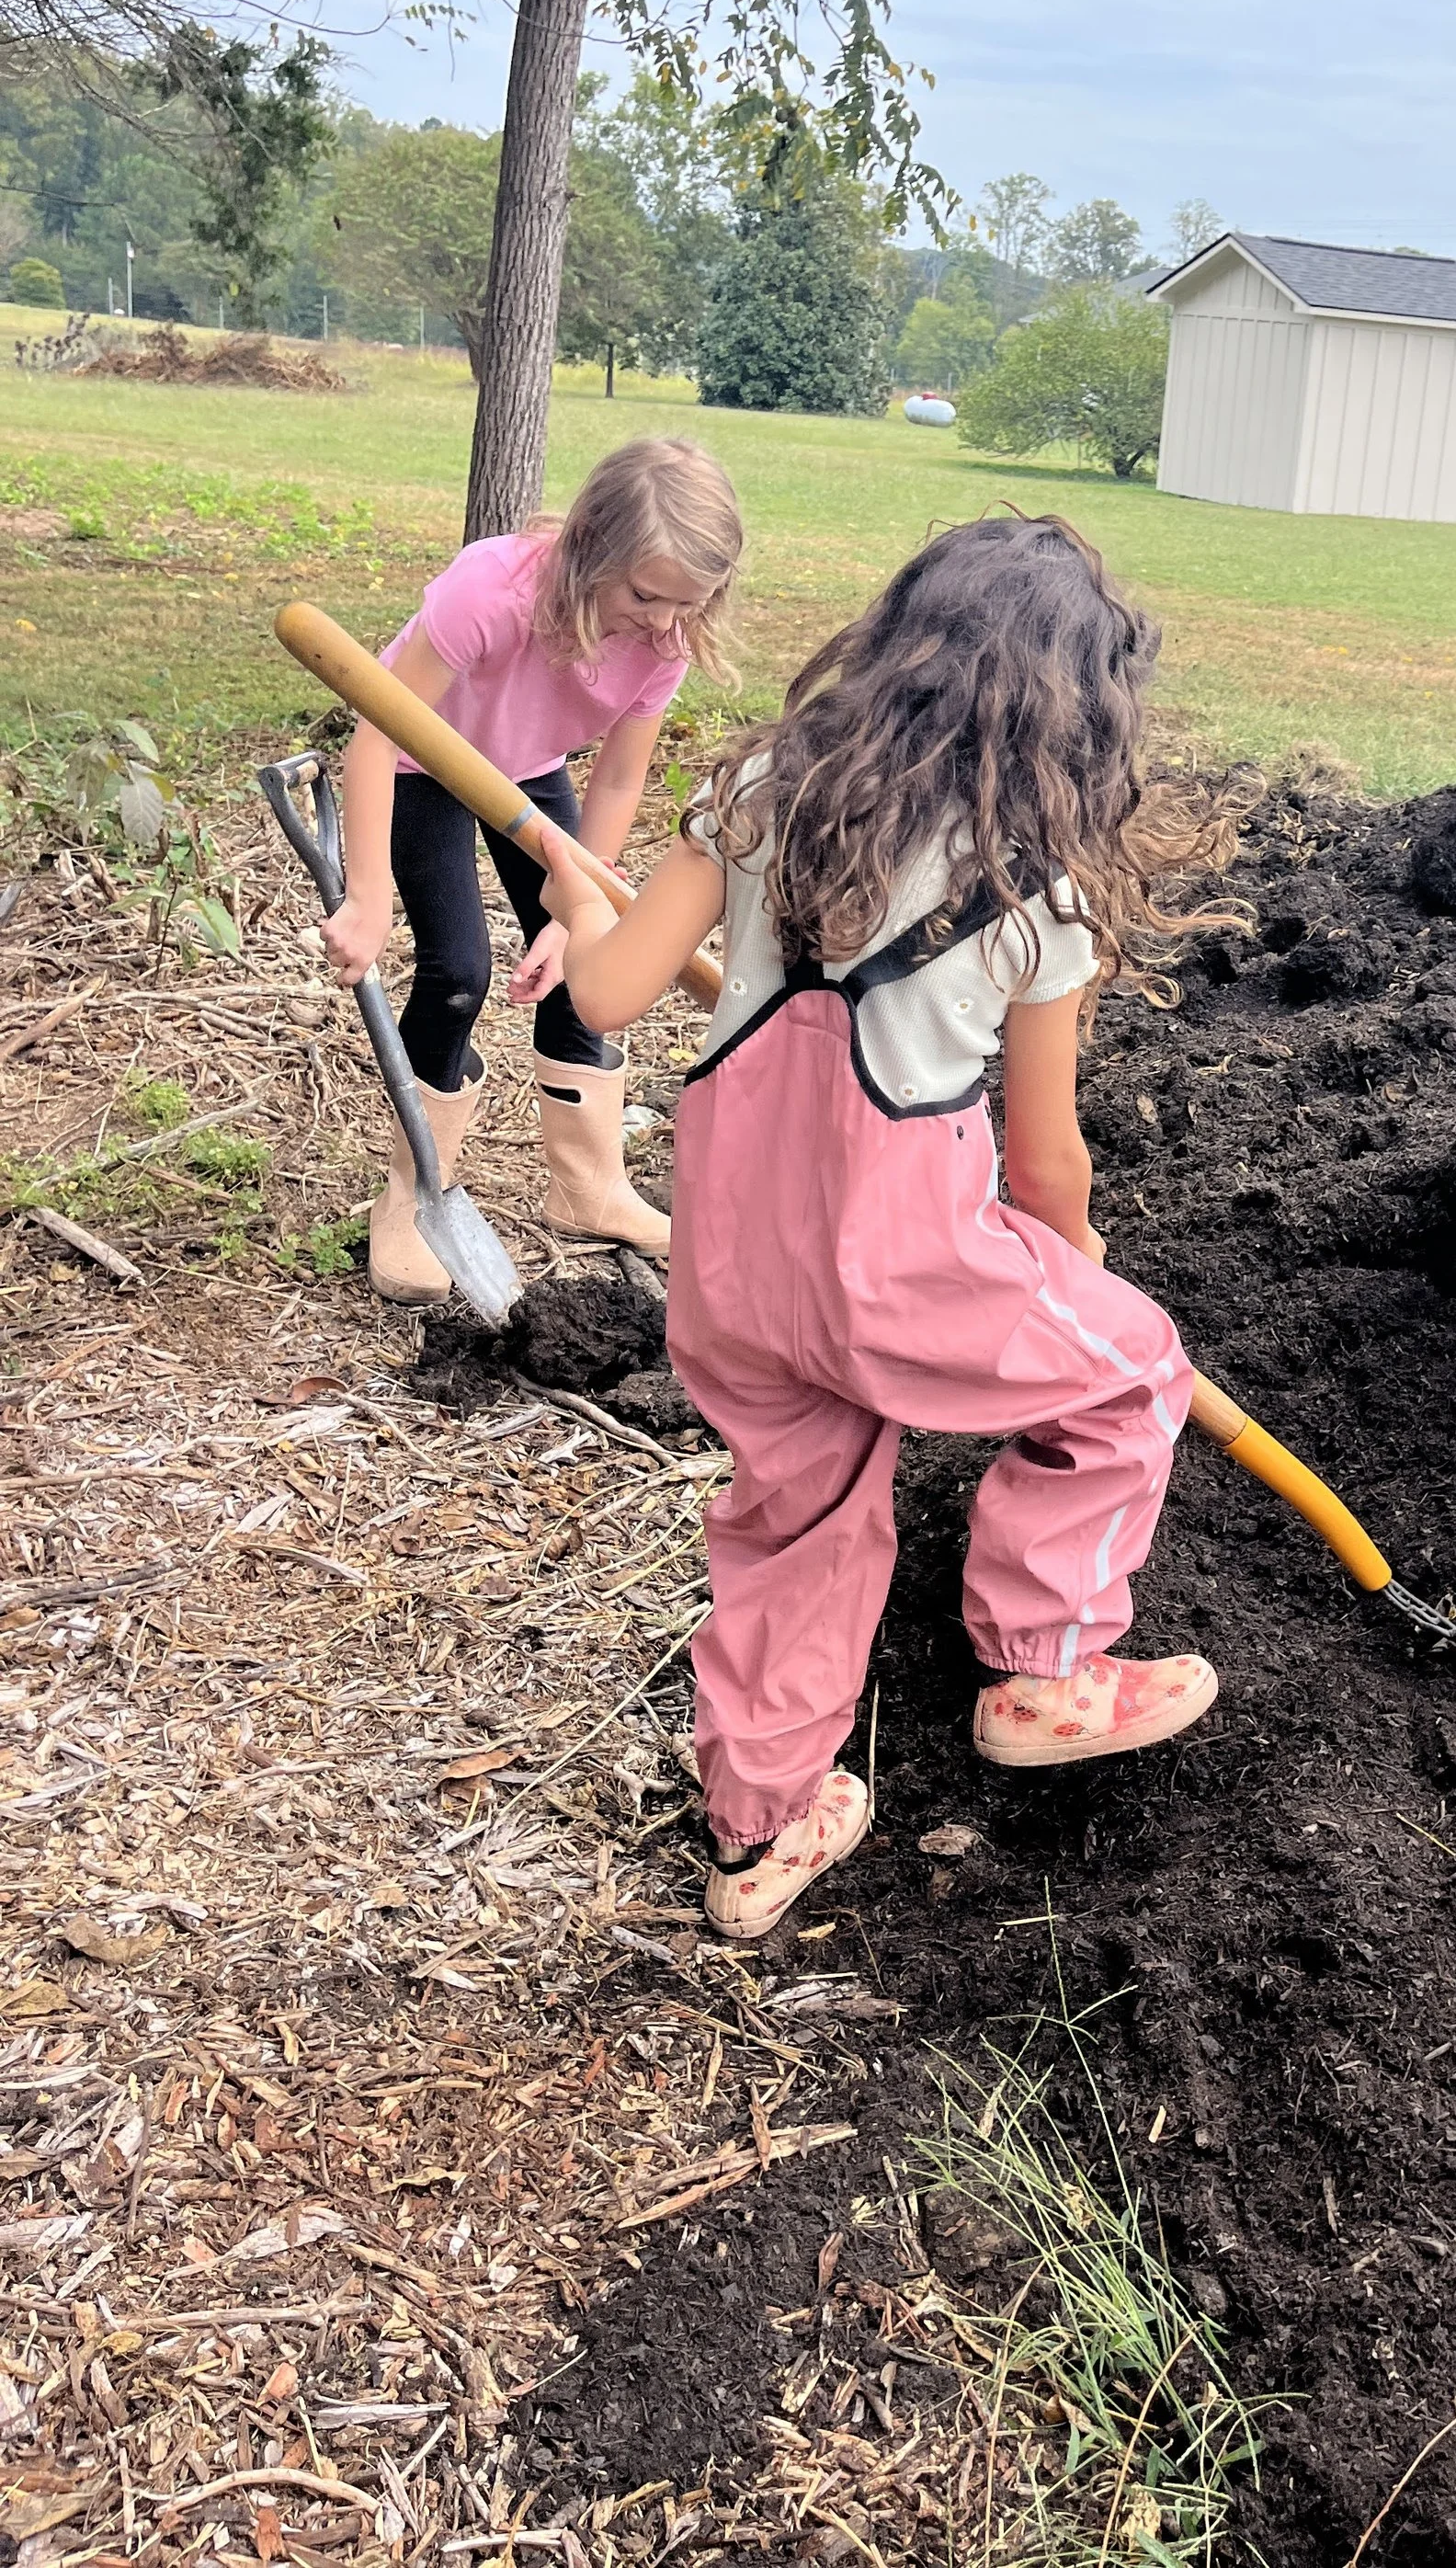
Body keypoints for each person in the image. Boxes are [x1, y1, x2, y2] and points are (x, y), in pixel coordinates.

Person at [542, 513, 1237, 1939]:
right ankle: (1047, 1667)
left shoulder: (755, 793)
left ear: (897, 642)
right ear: (1073, 710)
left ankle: (759, 1827)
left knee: (796, 1525)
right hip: (907, 1270)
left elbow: (601, 998)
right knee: (1132, 1373)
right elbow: (1042, 1159)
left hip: (734, 1266)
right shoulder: (1034, 893)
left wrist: (572, 899)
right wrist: (1075, 1270)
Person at [319, 435, 743, 1300]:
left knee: (592, 959)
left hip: (527, 769)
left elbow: (618, 778)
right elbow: (376, 734)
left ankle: (588, 1186)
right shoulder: (492, 589)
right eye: (645, 595)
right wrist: (366, 897)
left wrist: (571, 915)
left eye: (688, 603)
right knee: (459, 971)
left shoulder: (665, 638)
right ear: (590, 545)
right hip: (421, 762)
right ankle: (412, 1192)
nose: (664, 621)